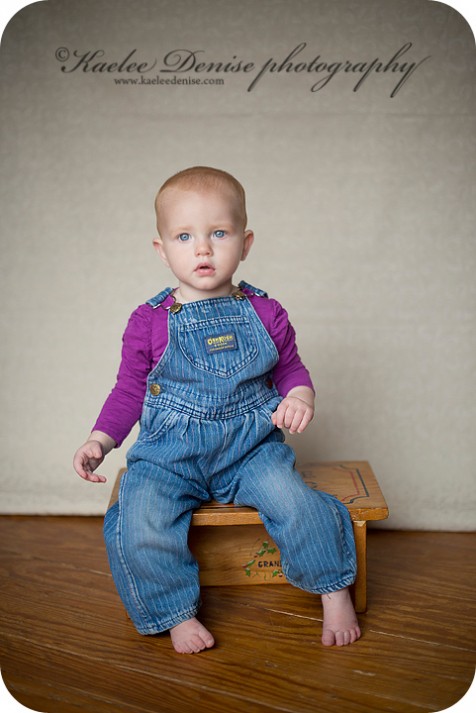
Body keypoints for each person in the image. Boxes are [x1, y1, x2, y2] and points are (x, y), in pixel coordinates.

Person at [73, 166, 361, 653]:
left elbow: (291, 369)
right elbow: (128, 391)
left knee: (296, 502)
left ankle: (334, 591)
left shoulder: (267, 313)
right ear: (162, 250)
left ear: (245, 243)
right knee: (140, 519)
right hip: (171, 454)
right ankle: (175, 612)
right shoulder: (148, 322)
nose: (202, 249)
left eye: (218, 233)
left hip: (251, 449)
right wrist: (100, 439)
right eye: (184, 236)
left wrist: (300, 396)